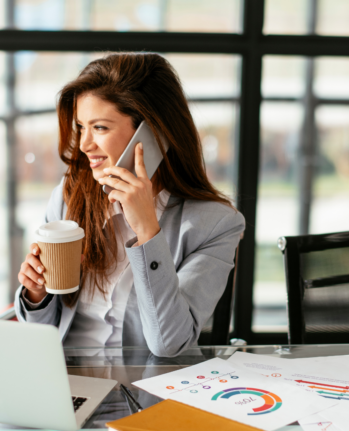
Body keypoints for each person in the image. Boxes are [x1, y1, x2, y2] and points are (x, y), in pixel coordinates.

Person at [14, 53, 244, 358]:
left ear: (152, 134)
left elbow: (169, 343)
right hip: (68, 386)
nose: (83, 144)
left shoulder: (215, 225)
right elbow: (40, 335)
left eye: (100, 128)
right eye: (81, 126)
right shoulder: (69, 197)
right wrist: (36, 294)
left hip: (146, 394)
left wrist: (148, 231)